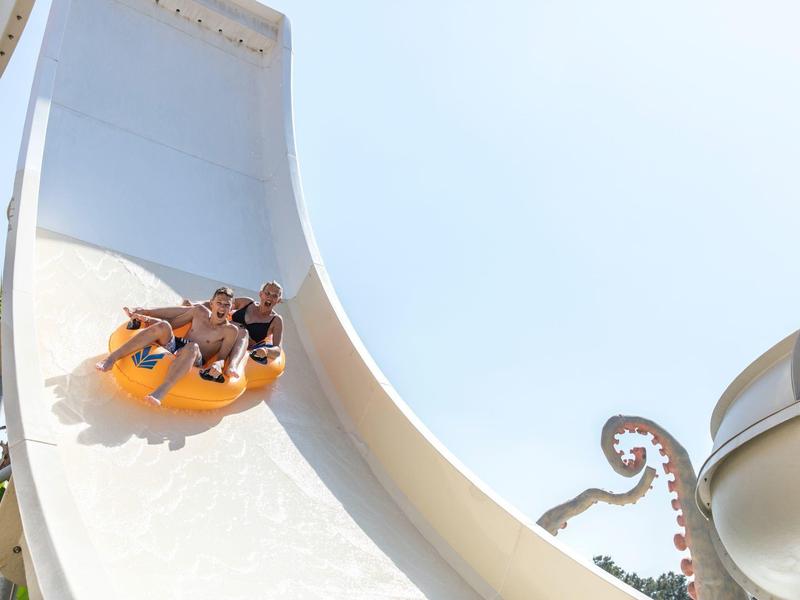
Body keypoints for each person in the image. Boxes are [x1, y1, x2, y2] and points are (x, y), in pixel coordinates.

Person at [95, 287, 240, 407]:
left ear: (231, 308)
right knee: (164, 326)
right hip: (176, 344)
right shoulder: (199, 311)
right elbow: (173, 324)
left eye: (227, 304)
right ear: (212, 303)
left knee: (192, 347)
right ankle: (111, 358)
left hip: (194, 356)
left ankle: (161, 391)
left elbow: (222, 358)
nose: (222, 307)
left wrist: (217, 366)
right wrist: (147, 319)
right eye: (219, 302)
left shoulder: (230, 331)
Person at [184, 280, 284, 376]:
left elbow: (277, 350)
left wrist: (266, 351)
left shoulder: (276, 320)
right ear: (261, 294)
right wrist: (194, 304)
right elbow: (219, 303)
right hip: (220, 335)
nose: (270, 297)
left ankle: (232, 367)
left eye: (275, 296)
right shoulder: (247, 302)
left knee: (244, 332)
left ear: (278, 300)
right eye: (267, 293)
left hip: (239, 344)